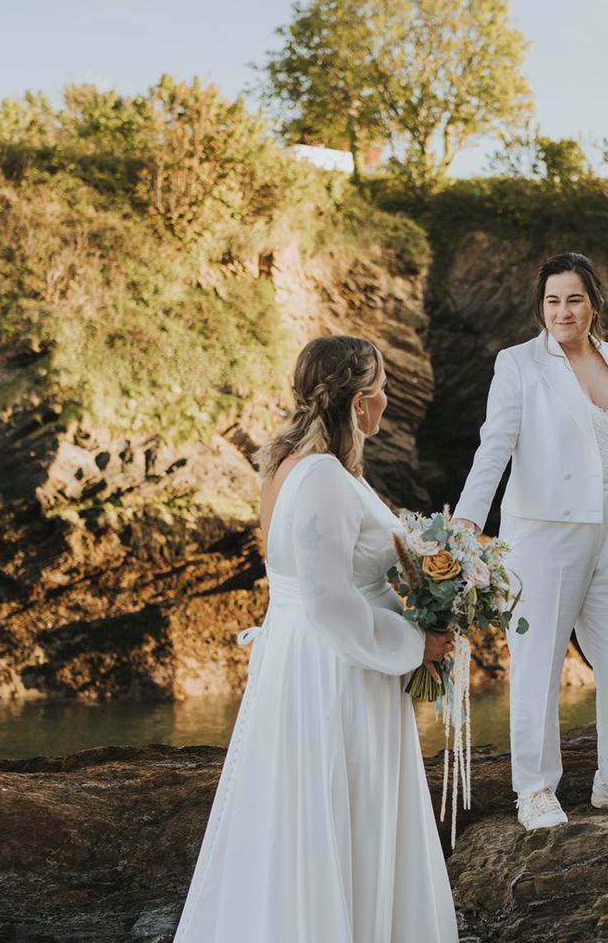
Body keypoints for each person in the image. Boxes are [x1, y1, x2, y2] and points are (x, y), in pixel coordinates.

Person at [174, 335, 459, 942]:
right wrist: (417, 643)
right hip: (338, 675)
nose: (386, 399)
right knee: (340, 813)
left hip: (307, 663)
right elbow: (329, 603)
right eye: (381, 388)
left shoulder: (291, 465)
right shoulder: (324, 476)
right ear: (359, 402)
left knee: (309, 818)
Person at [453, 252, 608, 831]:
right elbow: (494, 443)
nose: (563, 311)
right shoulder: (518, 363)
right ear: (541, 306)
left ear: (593, 304)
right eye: (552, 300)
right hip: (544, 533)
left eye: (574, 299)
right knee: (537, 662)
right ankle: (535, 789)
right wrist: (468, 521)